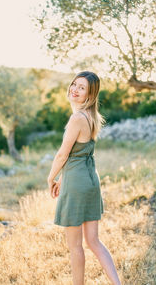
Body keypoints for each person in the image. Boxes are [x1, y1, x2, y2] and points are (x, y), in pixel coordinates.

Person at [47, 71, 121, 285]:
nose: (75, 90)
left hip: (77, 183)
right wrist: (64, 178)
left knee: (75, 246)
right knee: (94, 241)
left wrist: (51, 177)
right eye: (74, 84)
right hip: (89, 180)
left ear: (90, 94)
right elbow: (78, 155)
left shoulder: (77, 118)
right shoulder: (92, 116)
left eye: (81, 88)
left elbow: (63, 154)